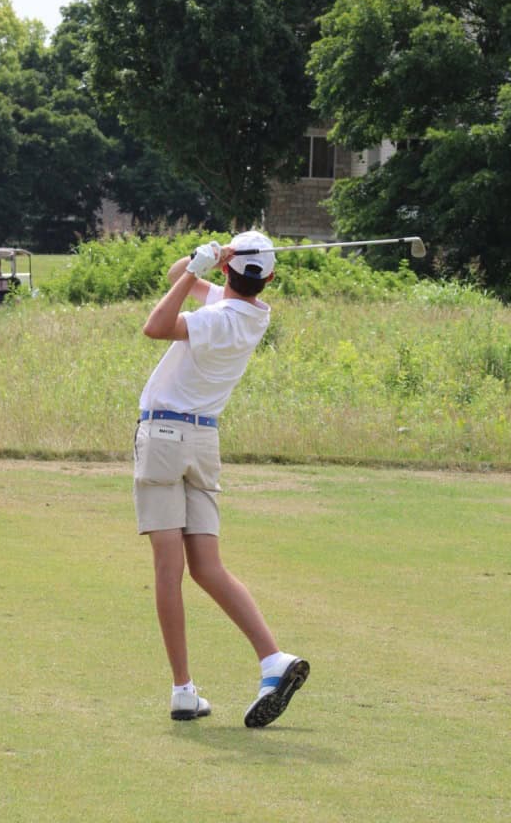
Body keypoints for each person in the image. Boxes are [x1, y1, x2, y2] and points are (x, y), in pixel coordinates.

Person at [135, 230, 309, 727]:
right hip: (203, 442)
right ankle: (273, 659)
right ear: (268, 280)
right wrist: (202, 263)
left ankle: (183, 691)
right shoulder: (254, 314)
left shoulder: (215, 318)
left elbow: (155, 326)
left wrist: (202, 264)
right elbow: (178, 276)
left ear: (230, 272)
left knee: (169, 570)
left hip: (164, 438)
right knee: (207, 568)